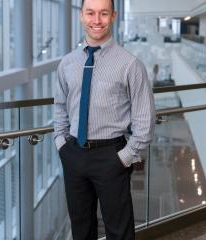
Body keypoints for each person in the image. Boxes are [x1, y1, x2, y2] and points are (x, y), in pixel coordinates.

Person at [54, 0, 155, 239]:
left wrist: (125, 157)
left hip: (112, 156)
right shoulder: (67, 63)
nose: (96, 20)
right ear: (81, 15)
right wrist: (61, 143)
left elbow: (145, 119)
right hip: (74, 154)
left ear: (113, 16)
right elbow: (60, 106)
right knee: (80, 228)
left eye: (103, 13)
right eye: (90, 13)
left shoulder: (130, 64)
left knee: (119, 230)